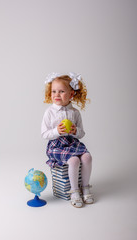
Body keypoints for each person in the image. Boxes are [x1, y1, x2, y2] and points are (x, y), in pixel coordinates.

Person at [41, 72, 94, 208]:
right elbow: (44, 134)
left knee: (87, 157)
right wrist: (56, 131)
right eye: (53, 91)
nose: (56, 95)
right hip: (56, 146)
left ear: (71, 94)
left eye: (61, 91)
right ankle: (74, 191)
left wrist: (76, 131)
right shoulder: (50, 112)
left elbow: (82, 133)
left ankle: (85, 187)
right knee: (74, 160)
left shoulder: (75, 113)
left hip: (72, 143)